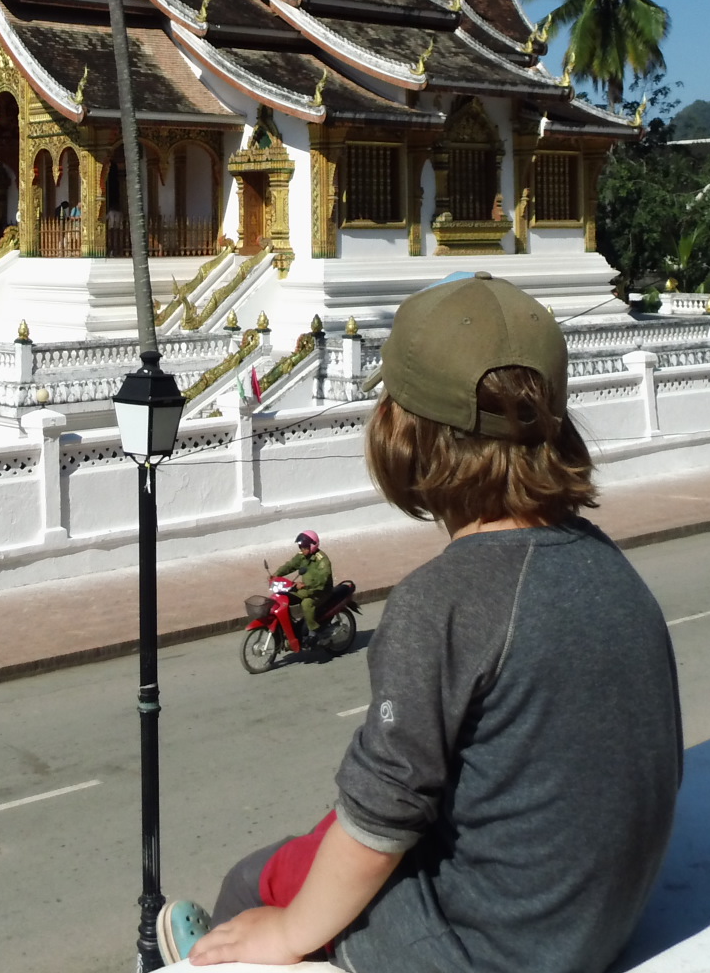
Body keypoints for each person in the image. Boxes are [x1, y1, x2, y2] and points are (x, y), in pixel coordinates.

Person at [165, 271, 683, 973]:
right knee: (324, 840)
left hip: (488, 948)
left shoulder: (441, 600)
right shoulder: (607, 564)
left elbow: (379, 821)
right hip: (597, 920)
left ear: (403, 435)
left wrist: (283, 935)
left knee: (257, 881)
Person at [273, 530, 334, 640]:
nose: (302, 549)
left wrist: (305, 585)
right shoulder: (301, 556)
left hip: (321, 591)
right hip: (305, 589)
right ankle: (291, 628)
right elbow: (290, 565)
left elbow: (322, 579)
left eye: (305, 547)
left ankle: (316, 631)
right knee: (284, 597)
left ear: (313, 546)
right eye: (300, 547)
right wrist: (276, 575)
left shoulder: (322, 560)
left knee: (306, 604)